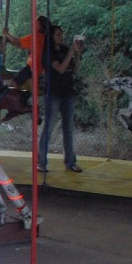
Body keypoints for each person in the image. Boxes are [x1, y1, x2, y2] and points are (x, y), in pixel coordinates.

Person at [38, 24, 83, 172]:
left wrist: (77, 54)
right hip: (53, 94)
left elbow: (74, 70)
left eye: (62, 34)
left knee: (68, 129)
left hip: (68, 92)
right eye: (58, 34)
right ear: (51, 36)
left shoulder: (64, 50)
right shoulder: (48, 53)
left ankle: (70, 161)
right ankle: (41, 162)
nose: (61, 37)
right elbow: (61, 69)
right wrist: (71, 51)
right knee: (49, 128)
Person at [7, 14, 50, 92]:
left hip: (33, 66)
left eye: (36, 23)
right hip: (36, 66)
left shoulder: (37, 36)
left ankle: (18, 100)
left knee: (14, 83)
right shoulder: (42, 37)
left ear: (40, 25)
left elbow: (18, 41)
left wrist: (7, 34)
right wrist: (9, 41)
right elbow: (20, 45)